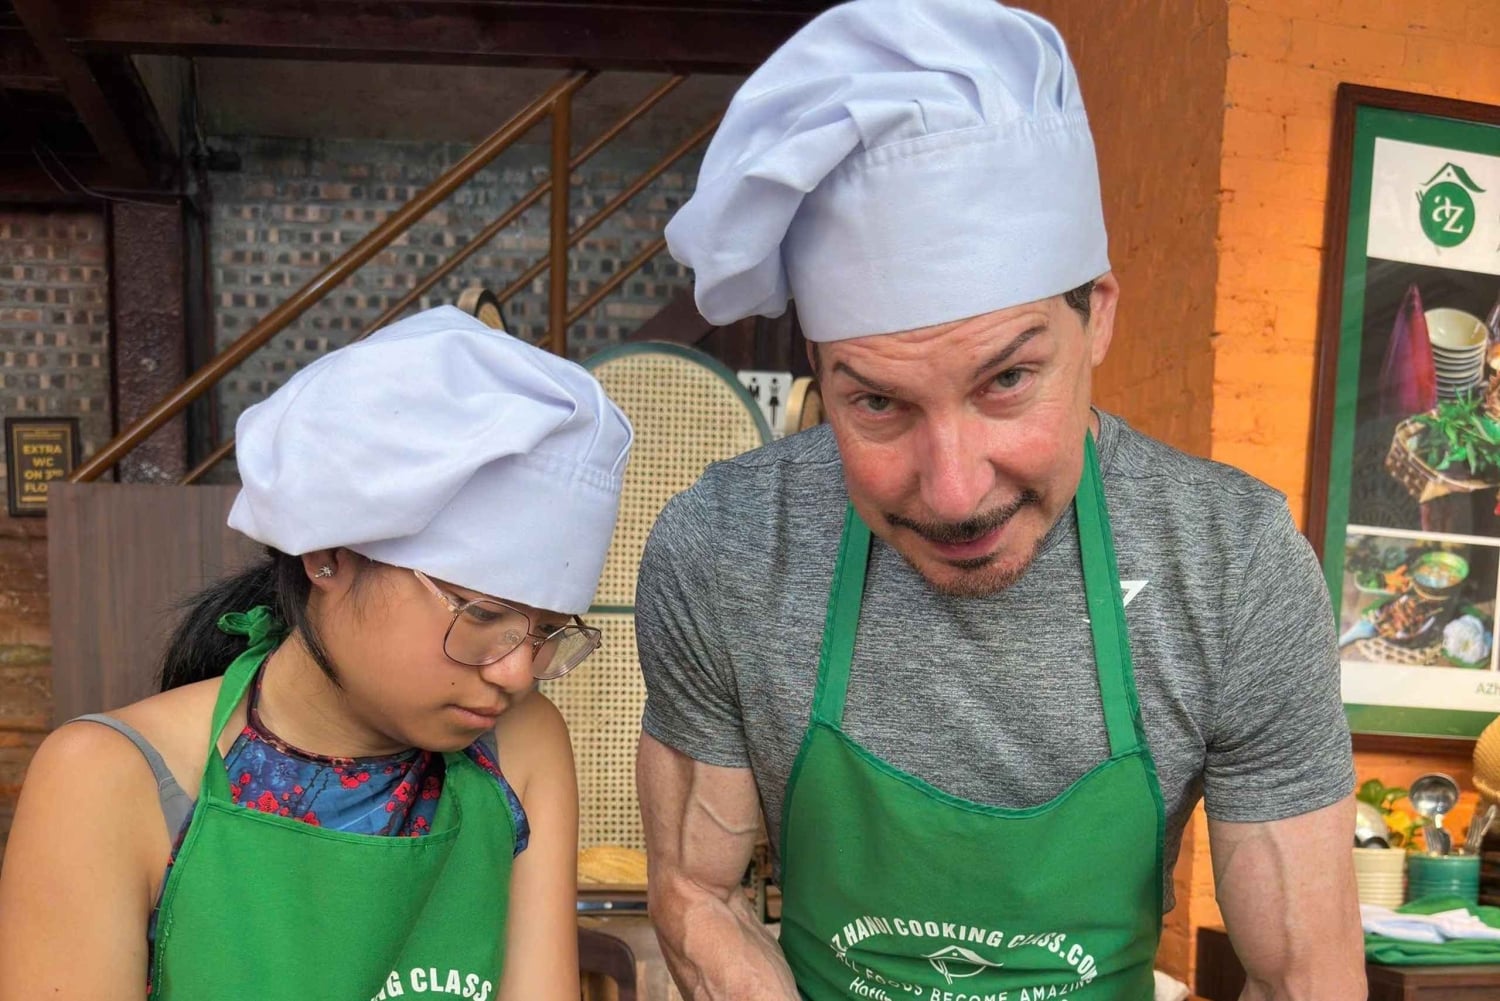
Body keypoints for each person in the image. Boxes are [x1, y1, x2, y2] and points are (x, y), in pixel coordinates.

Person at [634, 2, 1364, 999]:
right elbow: (697, 894)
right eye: (878, 403)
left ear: (1096, 316)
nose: (954, 489)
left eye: (1007, 380)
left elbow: (1304, 974)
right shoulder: (724, 550)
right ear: (818, 368)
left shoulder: (1233, 566)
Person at [0, 306, 632, 1000]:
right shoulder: (111, 781)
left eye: (547, 631)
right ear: (328, 553)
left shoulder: (520, 746)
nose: (515, 673)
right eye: (481, 615)